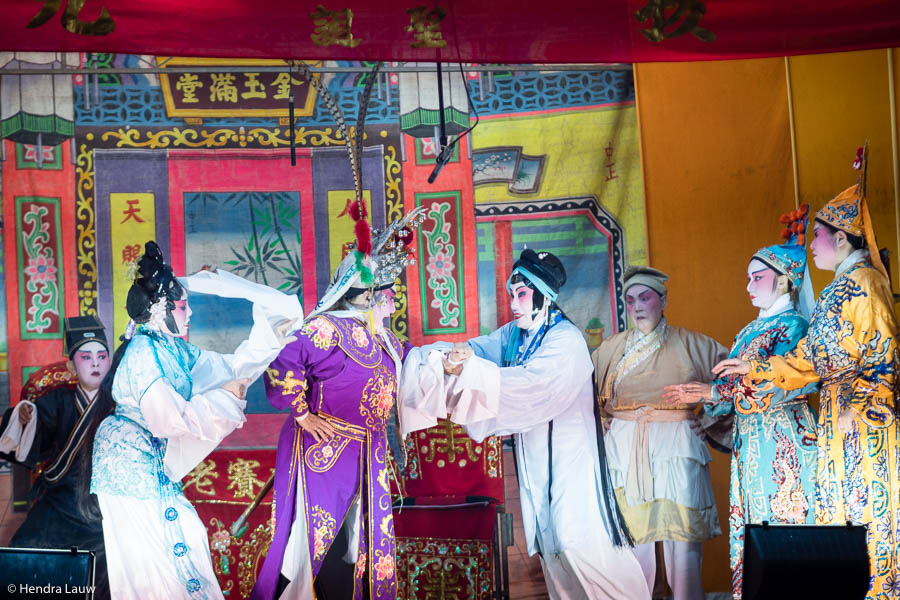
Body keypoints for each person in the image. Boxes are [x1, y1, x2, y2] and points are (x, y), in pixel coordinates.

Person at [401, 249, 649, 600]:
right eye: (511, 294)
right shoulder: (516, 335)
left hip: (571, 460)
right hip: (536, 463)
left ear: (543, 296)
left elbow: (534, 387)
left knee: (579, 544)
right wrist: (436, 358)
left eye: (522, 294)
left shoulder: (566, 341)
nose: (514, 303)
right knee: (554, 552)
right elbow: (476, 350)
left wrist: (469, 371)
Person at [714, 153, 899, 599]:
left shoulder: (868, 285)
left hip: (863, 421)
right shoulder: (839, 288)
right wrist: (755, 366)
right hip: (836, 417)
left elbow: (886, 357)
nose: (812, 245)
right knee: (840, 523)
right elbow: (808, 361)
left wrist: (860, 408)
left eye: (817, 236)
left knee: (869, 520)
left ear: (840, 238)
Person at [90, 241, 302, 600]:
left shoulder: (172, 349)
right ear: (159, 310)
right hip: (127, 465)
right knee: (161, 556)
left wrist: (271, 338)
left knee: (169, 553)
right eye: (184, 306)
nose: (191, 315)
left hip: (145, 461)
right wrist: (225, 400)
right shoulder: (144, 353)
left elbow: (228, 370)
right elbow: (170, 421)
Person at [251, 209, 424, 600]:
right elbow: (284, 357)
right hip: (324, 452)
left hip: (367, 453)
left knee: (360, 545)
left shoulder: (384, 341)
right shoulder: (327, 329)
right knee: (312, 543)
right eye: (388, 290)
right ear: (366, 294)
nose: (395, 299)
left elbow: (415, 362)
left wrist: (447, 359)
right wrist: (302, 412)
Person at [663, 208, 819, 599]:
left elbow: (780, 387)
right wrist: (709, 398)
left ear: (784, 281)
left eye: (758, 277)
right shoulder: (751, 329)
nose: (749, 285)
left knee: (786, 523)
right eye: (748, 277)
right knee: (756, 528)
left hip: (785, 441)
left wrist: (715, 393)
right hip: (752, 446)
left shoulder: (796, 328)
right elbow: (730, 384)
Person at [592, 265, 728, 600]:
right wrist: (602, 420)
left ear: (663, 299)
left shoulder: (693, 344)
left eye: (645, 297)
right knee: (631, 546)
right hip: (625, 450)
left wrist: (707, 417)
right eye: (630, 300)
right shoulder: (611, 349)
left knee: (681, 546)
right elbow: (584, 392)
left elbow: (733, 382)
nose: (637, 306)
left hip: (676, 449)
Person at [0, 315, 113, 599]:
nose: (96, 363)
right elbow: (34, 421)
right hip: (63, 499)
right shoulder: (58, 399)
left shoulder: (120, 401)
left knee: (115, 559)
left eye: (102, 355)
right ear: (70, 365)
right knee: (26, 548)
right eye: (86, 357)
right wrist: (26, 415)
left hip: (108, 499)